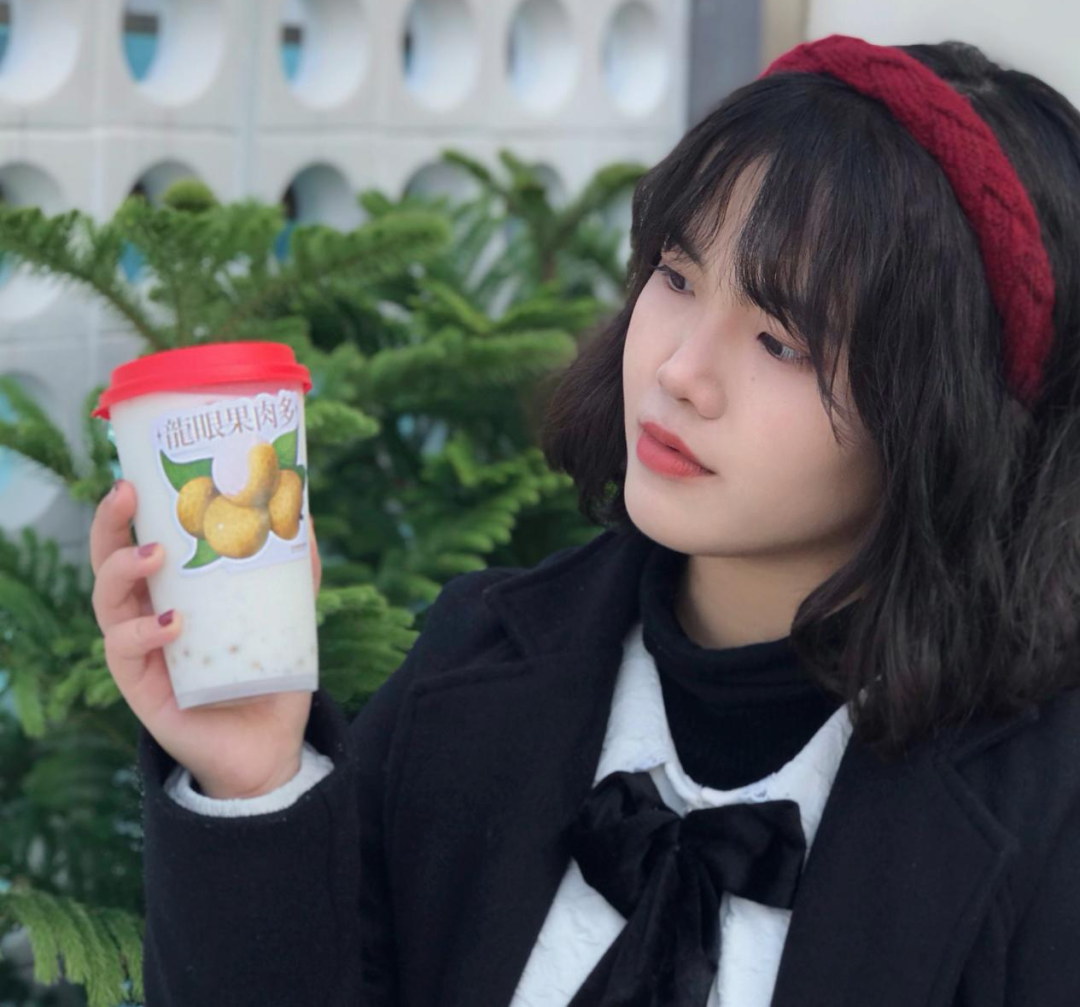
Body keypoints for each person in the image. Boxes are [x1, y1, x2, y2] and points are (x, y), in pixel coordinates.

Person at [89, 33, 1080, 1007]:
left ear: (949, 417)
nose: (680, 371)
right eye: (678, 276)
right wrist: (252, 775)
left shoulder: (1042, 816)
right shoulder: (477, 667)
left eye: (781, 340)